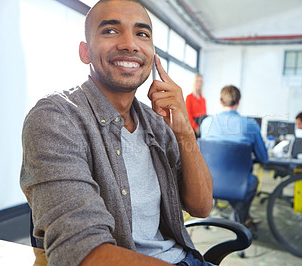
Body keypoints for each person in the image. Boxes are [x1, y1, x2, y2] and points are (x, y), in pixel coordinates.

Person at [20, 1, 213, 265]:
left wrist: (185, 132)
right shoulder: (57, 118)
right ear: (85, 52)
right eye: (111, 31)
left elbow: (201, 207)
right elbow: (82, 251)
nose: (130, 44)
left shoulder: (157, 123)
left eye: (142, 34)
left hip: (185, 257)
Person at [200, 85, 268, 227]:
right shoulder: (250, 124)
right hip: (239, 186)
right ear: (239, 101)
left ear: (220, 101)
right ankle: (240, 218)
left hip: (207, 183)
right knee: (253, 181)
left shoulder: (206, 123)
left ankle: (231, 215)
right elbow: (264, 158)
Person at [185, 74, 207, 138]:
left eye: (201, 81)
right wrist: (196, 127)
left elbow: (205, 114)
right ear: (194, 82)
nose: (199, 83)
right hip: (192, 125)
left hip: (201, 124)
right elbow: (188, 115)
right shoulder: (189, 97)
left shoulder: (203, 99)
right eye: (197, 81)